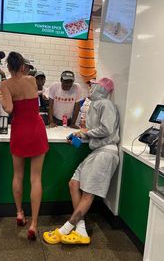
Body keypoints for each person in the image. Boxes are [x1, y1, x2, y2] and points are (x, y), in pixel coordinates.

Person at [43, 77, 120, 245]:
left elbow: (107, 129)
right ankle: (81, 229)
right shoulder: (95, 105)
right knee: (73, 184)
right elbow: (95, 130)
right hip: (96, 152)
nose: (90, 88)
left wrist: (85, 132)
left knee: (88, 194)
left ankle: (65, 229)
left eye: (94, 86)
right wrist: (82, 134)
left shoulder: (105, 104)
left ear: (102, 89)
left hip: (106, 153)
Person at [0, 52, 49, 240]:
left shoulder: (5, 85)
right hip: (36, 129)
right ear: (23, 67)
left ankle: (19, 213)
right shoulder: (32, 80)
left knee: (18, 175)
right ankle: (33, 223)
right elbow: (21, 81)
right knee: (36, 179)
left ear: (8, 67)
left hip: (20, 130)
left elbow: (9, 109)